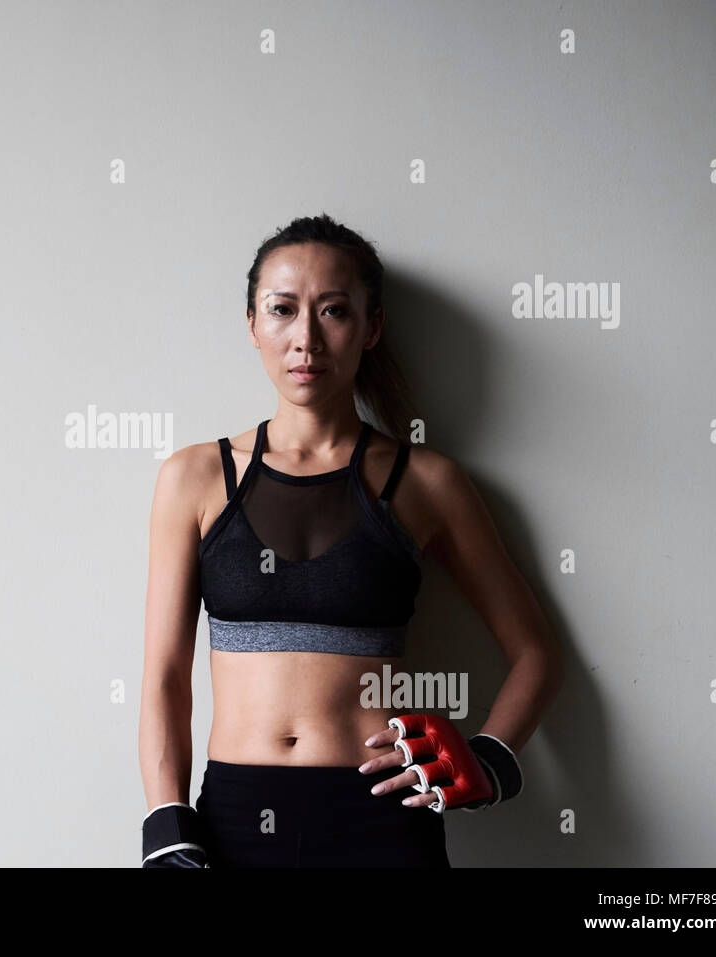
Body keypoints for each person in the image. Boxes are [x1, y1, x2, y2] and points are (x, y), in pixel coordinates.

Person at [137, 214, 564, 867]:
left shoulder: (428, 482)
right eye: (282, 309)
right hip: (235, 818)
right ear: (252, 324)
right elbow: (166, 675)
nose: (305, 337)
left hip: (384, 819)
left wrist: (490, 760)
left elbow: (535, 652)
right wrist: (165, 820)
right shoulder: (194, 478)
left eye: (333, 310)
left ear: (372, 327)